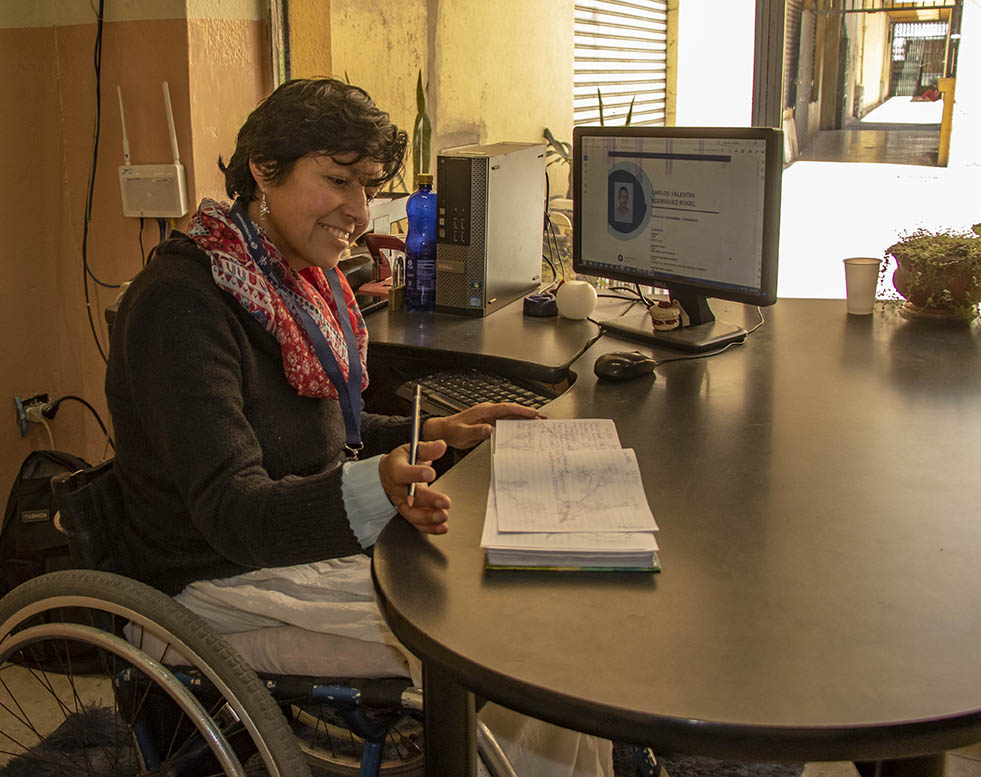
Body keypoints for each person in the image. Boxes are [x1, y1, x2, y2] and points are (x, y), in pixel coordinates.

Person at [105, 77, 612, 777]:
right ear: (263, 169)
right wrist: (375, 486)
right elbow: (233, 511)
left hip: (285, 544)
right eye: (337, 180)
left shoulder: (288, 279)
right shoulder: (181, 306)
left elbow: (314, 439)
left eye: (367, 185)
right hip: (216, 576)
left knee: (542, 600)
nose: (357, 209)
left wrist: (439, 429)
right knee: (513, 642)